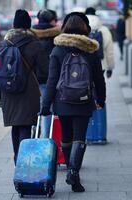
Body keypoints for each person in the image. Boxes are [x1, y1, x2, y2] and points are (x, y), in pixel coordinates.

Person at [40, 12, 106, 193]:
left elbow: (52, 81)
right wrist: (101, 99)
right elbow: (99, 79)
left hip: (62, 101)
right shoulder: (90, 50)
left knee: (66, 137)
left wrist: (45, 105)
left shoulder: (58, 50)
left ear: (65, 27)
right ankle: (73, 172)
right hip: (84, 101)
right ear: (85, 28)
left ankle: (71, 168)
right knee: (80, 138)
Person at [0, 9, 48, 164]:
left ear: (14, 25)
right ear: (29, 25)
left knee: (15, 125)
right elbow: (45, 72)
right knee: (25, 125)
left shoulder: (4, 43)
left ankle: (17, 157)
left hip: (8, 91)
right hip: (28, 90)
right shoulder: (34, 44)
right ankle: (24, 162)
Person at [31, 9, 61, 138]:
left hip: (33, 79)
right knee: (48, 109)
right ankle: (47, 138)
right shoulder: (58, 37)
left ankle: (34, 133)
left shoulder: (31, 36)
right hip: (52, 79)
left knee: (36, 109)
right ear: (52, 21)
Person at [85, 7, 115, 78]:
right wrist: (110, 68)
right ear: (95, 15)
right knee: (99, 85)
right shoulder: (104, 30)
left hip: (84, 64)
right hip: (101, 64)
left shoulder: (80, 28)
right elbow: (109, 51)